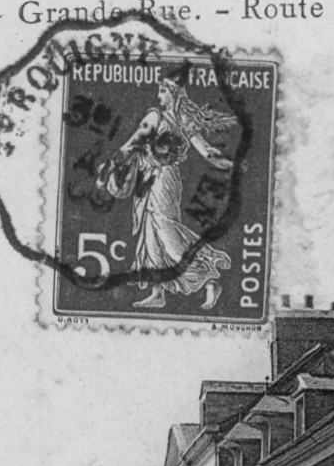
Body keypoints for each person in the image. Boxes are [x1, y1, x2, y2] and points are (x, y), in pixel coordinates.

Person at [95, 74, 237, 310]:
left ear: (174, 93)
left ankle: (208, 278)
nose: (159, 95)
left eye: (163, 90)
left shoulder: (176, 118)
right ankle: (157, 291)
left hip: (163, 179)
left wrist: (232, 165)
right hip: (145, 179)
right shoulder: (157, 117)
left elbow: (207, 151)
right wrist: (109, 168)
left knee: (165, 231)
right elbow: (131, 146)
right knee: (149, 235)